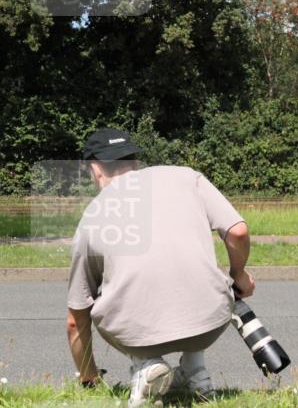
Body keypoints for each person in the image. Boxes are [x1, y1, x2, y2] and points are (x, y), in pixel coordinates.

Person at [66, 128, 255, 407]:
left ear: (95, 169)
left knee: (100, 297)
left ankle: (145, 365)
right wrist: (238, 274)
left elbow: (75, 320)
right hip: (211, 323)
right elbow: (238, 232)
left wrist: (88, 379)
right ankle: (195, 372)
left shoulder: (92, 216)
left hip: (138, 335)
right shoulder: (186, 177)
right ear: (135, 161)